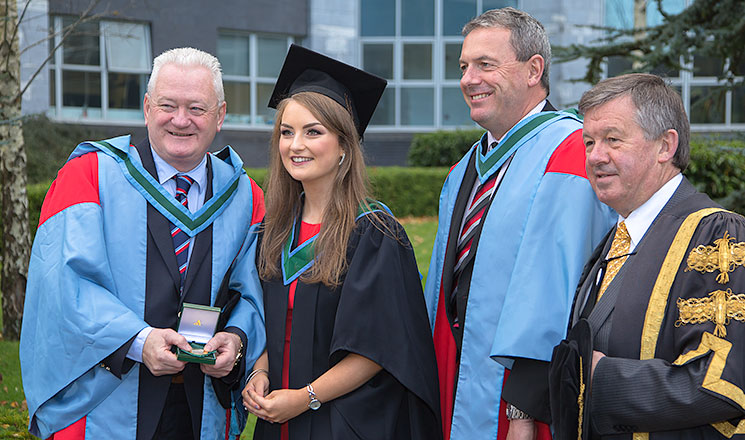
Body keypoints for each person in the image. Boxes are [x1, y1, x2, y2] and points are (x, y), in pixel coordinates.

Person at [20, 47, 266, 440]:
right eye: (168, 105)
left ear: (220, 116)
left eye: (197, 108)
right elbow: (63, 286)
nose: (180, 120)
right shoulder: (88, 177)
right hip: (107, 399)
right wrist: (138, 340)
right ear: (147, 107)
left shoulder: (244, 196)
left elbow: (251, 294)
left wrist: (235, 340)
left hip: (200, 406)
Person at [423, 7, 615, 440]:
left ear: (534, 70)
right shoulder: (464, 171)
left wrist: (523, 406)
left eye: (486, 64)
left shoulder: (569, 154)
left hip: (528, 407)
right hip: (457, 382)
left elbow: (559, 293)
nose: (469, 79)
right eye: (464, 66)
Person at [241, 44, 441, 440]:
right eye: (286, 132)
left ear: (344, 147)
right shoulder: (273, 233)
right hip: (277, 419)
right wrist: (260, 370)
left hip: (343, 422)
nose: (295, 145)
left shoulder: (374, 234)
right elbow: (266, 321)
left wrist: (304, 398)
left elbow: (378, 348)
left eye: (313, 132)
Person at [549, 73, 745, 440]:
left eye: (613, 140)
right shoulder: (614, 241)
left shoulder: (715, 235)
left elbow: (721, 380)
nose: (595, 156)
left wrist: (599, 379)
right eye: (589, 142)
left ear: (665, 146)